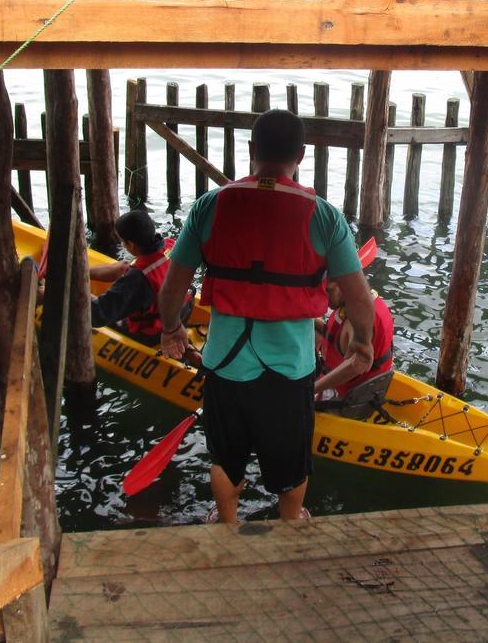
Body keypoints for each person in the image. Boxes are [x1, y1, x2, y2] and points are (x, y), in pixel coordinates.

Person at [158, 109, 375, 523]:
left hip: (224, 362)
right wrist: (362, 343)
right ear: (302, 154)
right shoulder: (325, 216)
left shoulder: (210, 206)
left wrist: (173, 329)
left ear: (251, 150)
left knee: (225, 456)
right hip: (290, 367)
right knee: (291, 463)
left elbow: (173, 287)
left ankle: (226, 521)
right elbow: (359, 299)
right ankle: (291, 522)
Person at [86, 210, 172, 346]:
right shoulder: (171, 246)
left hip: (152, 333)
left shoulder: (137, 279)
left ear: (131, 244)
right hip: (179, 314)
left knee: (96, 309)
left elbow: (98, 315)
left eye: (123, 243)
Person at [315, 281, 394, 420]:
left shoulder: (356, 320)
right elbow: (335, 336)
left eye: (328, 291)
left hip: (343, 401)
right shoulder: (365, 301)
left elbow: (356, 365)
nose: (323, 299)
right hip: (366, 391)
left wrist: (311, 390)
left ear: (342, 282)